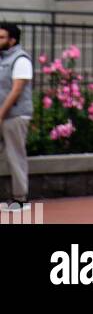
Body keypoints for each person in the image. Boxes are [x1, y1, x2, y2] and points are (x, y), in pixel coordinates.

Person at [0, 21, 33, 208]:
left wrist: (1, 114)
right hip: (3, 115)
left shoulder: (20, 59)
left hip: (15, 115)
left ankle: (20, 199)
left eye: (1, 37)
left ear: (12, 40)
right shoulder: (2, 59)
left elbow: (16, 90)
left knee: (15, 156)